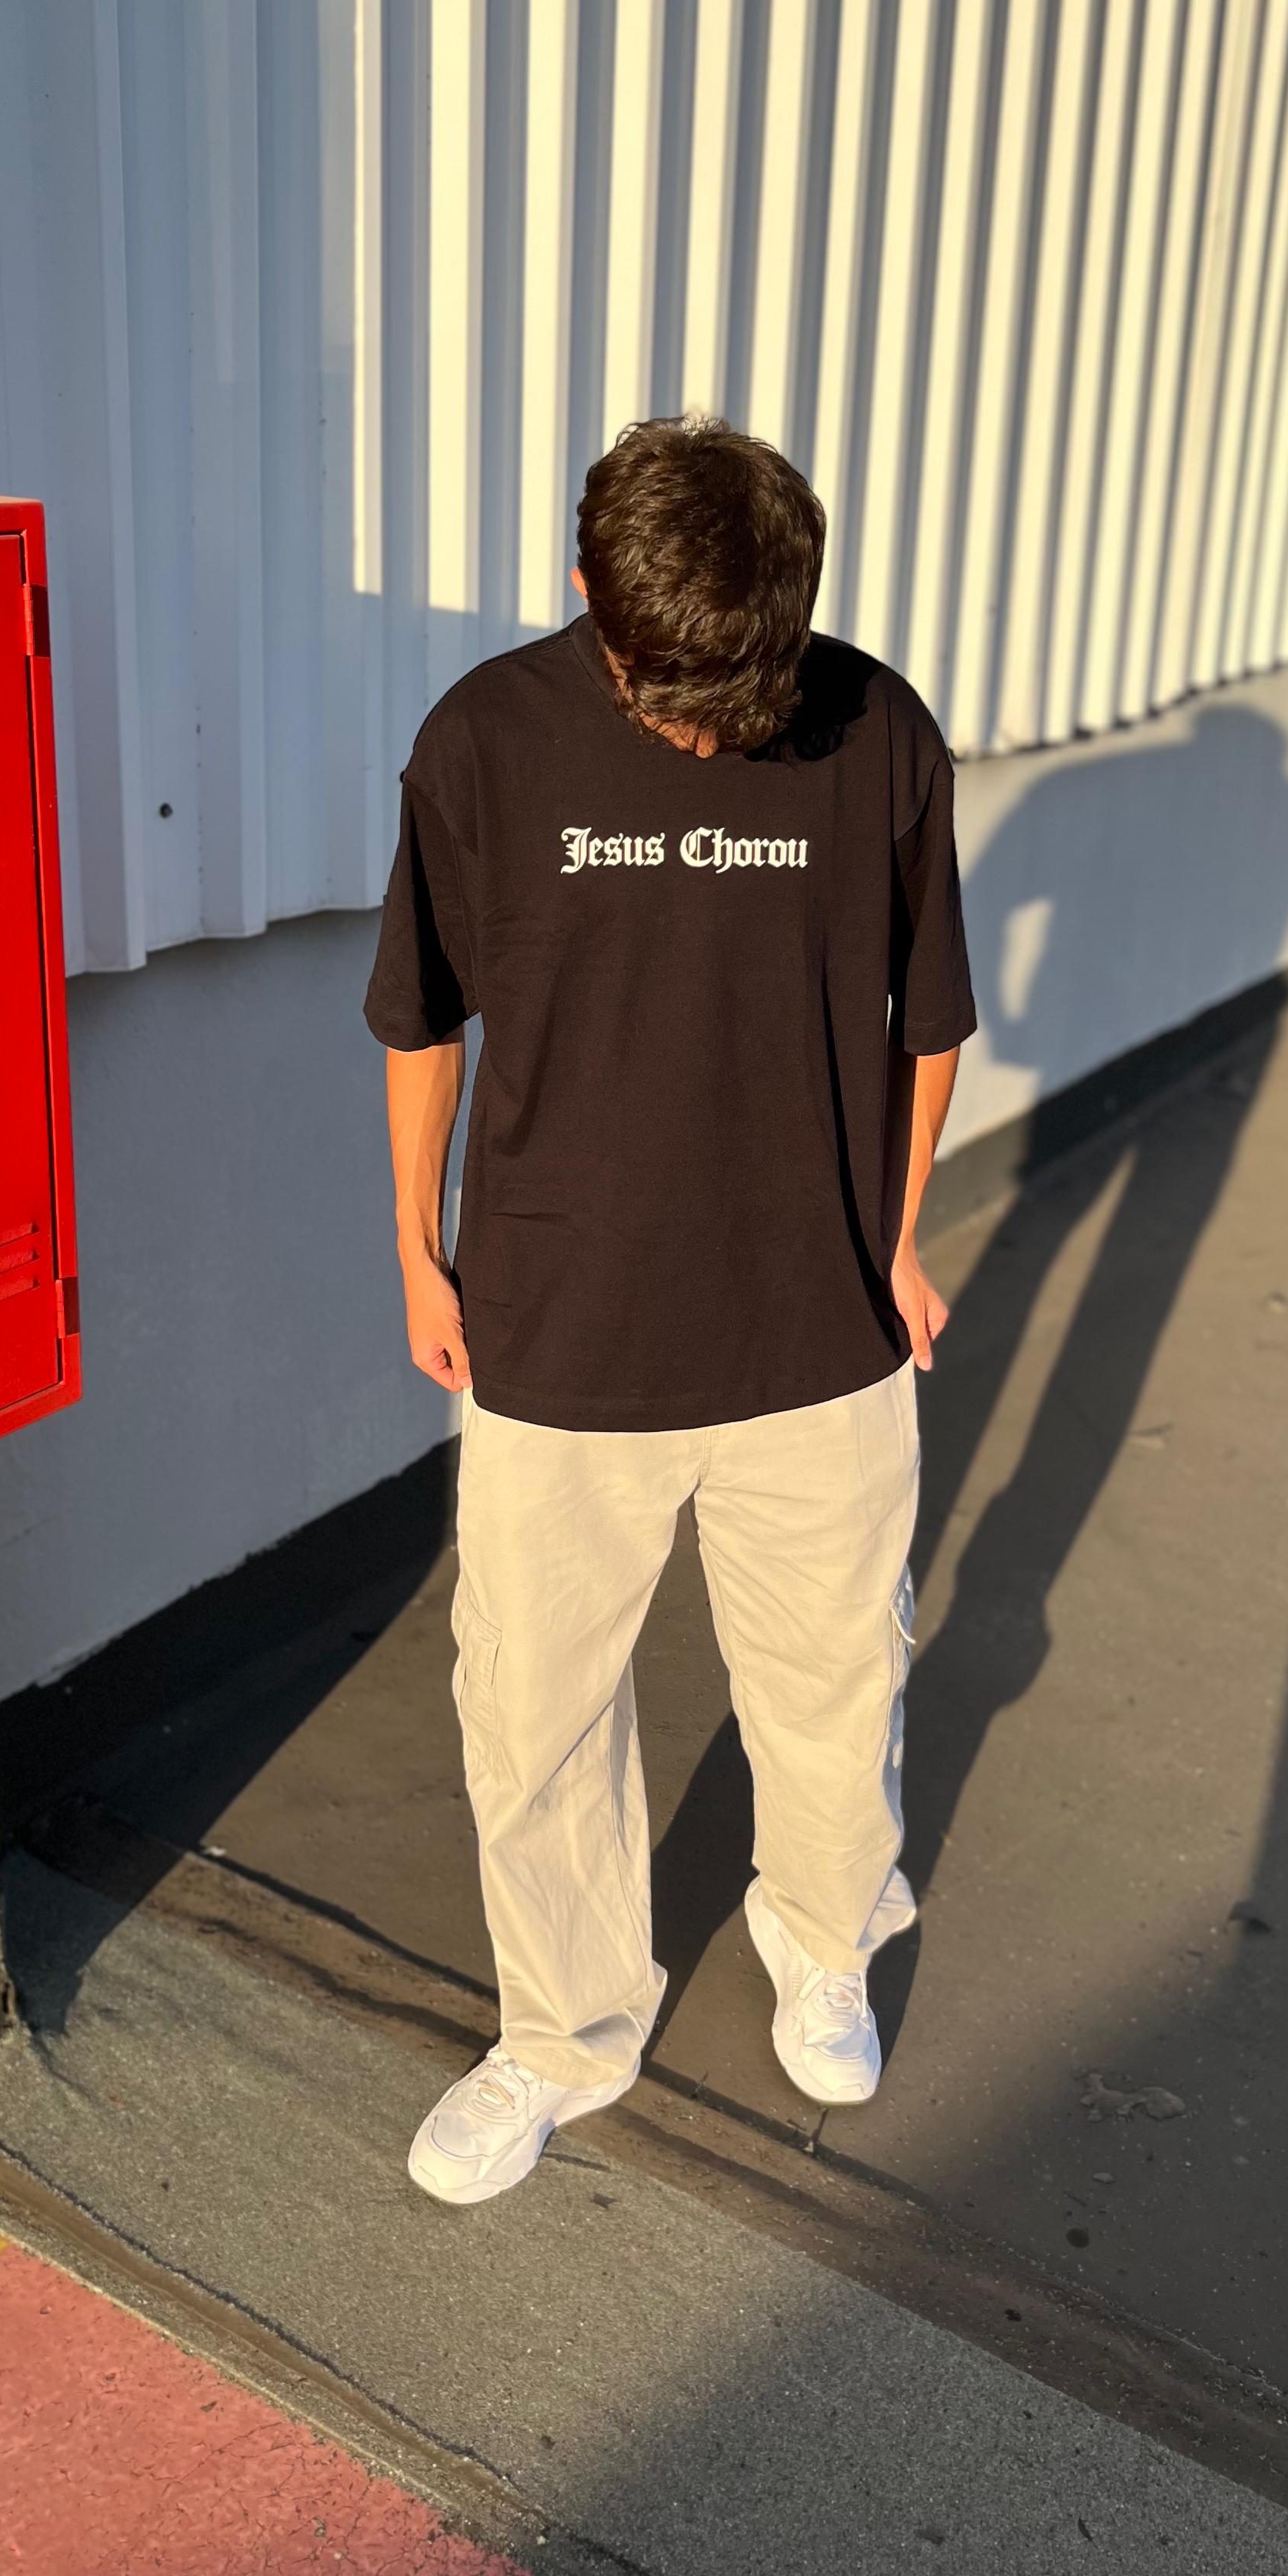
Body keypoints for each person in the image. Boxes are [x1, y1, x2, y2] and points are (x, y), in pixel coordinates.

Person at [364, 415, 974, 2204]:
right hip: (561, 1329)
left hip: (816, 1331)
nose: (712, 735)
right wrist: (415, 1246)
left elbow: (930, 1020)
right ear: (587, 596)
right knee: (535, 1713)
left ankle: (824, 1939)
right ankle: (566, 2032)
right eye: (673, 698)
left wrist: (897, 1238)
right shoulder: (484, 741)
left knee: (836, 1684)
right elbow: (422, 1017)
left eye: (743, 695)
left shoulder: (878, 731)